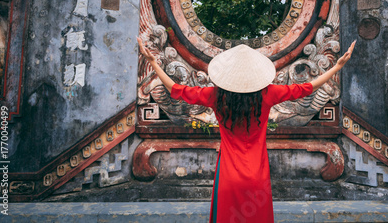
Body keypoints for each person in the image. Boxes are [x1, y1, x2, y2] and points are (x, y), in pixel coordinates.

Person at [137, 37, 356, 223]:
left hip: (229, 175)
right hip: (257, 175)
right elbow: (306, 88)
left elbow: (176, 90)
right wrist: (337, 67)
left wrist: (154, 63)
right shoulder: (268, 94)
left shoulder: (216, 96)